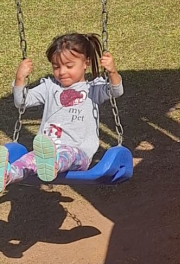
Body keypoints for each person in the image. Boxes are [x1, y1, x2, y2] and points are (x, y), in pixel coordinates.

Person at [0, 33, 124, 191]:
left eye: (69, 66)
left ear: (86, 63)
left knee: (66, 154)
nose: (62, 72)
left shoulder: (93, 88)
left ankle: (52, 164)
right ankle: (8, 174)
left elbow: (116, 91)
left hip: (79, 153)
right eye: (56, 67)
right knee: (27, 161)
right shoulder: (49, 87)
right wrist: (20, 78)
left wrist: (112, 72)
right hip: (45, 151)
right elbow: (22, 102)